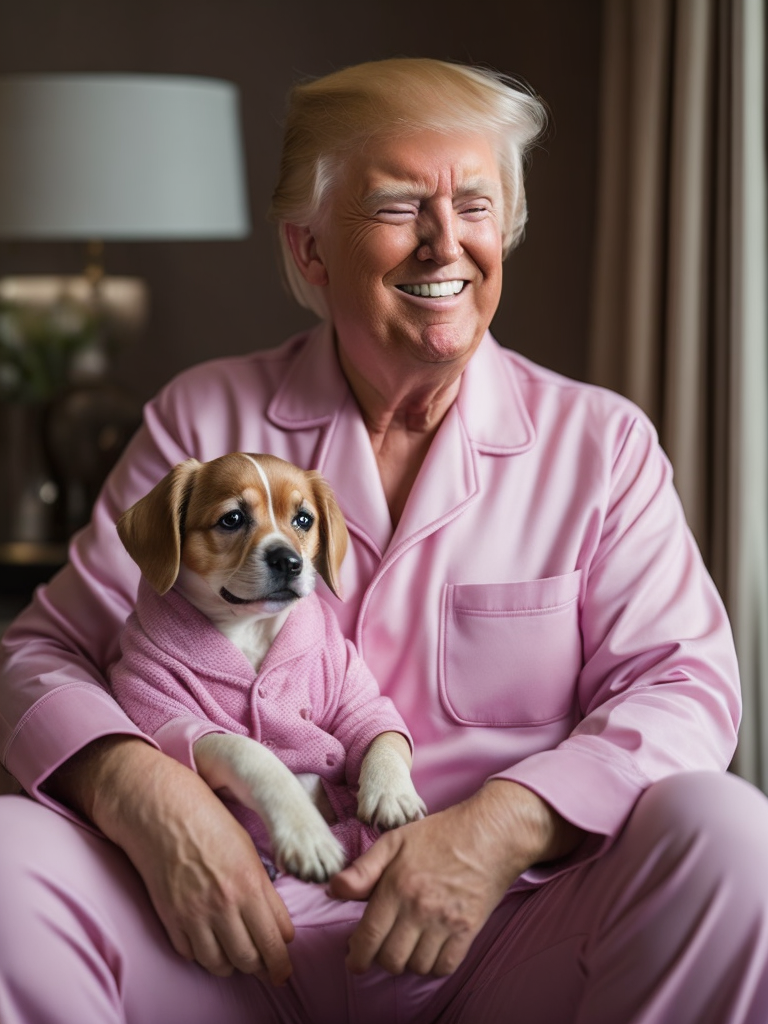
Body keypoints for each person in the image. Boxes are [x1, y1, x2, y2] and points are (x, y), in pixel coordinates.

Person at [1, 56, 767, 1024]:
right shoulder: (204, 421)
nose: (447, 244)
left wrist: (501, 826)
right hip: (216, 935)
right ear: (312, 249)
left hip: (505, 935)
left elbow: (685, 686)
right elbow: (40, 652)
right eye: (401, 205)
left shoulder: (601, 444)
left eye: (477, 206)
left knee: (732, 835)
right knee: (7, 859)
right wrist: (144, 791)